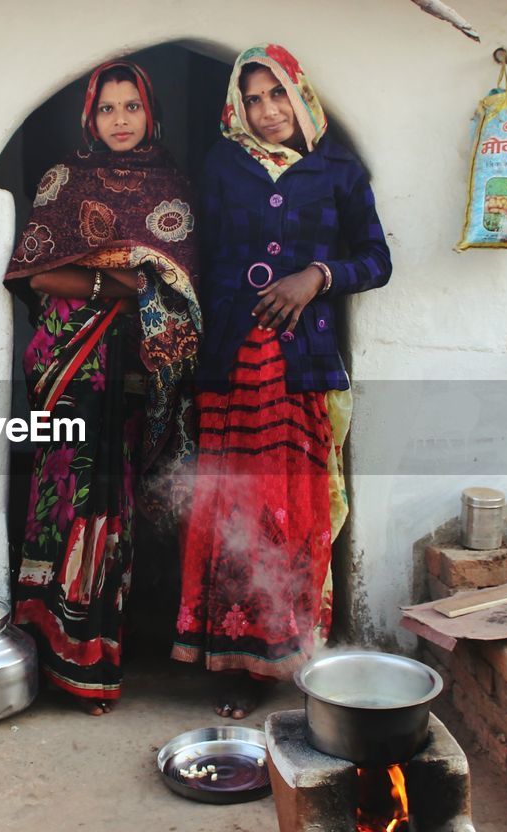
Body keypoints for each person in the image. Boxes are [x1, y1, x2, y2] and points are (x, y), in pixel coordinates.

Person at [172, 44, 391, 718]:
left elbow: (376, 259)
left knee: (291, 512)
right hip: (233, 364)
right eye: (254, 98)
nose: (268, 111)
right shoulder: (222, 166)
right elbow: (199, 256)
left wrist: (317, 277)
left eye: (277, 96)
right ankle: (237, 662)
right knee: (232, 510)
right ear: (237, 107)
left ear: (301, 96)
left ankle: (289, 650)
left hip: (300, 368)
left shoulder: (337, 170)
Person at [4, 61, 200, 715]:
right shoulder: (63, 180)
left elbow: (178, 286)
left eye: (131, 108)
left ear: (150, 113)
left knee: (120, 509)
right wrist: (118, 280)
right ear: (89, 116)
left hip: (138, 374)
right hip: (70, 372)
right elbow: (38, 276)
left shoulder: (170, 185)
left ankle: (99, 660)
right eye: (107, 109)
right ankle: (49, 653)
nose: (119, 120)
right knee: (65, 501)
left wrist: (105, 272)